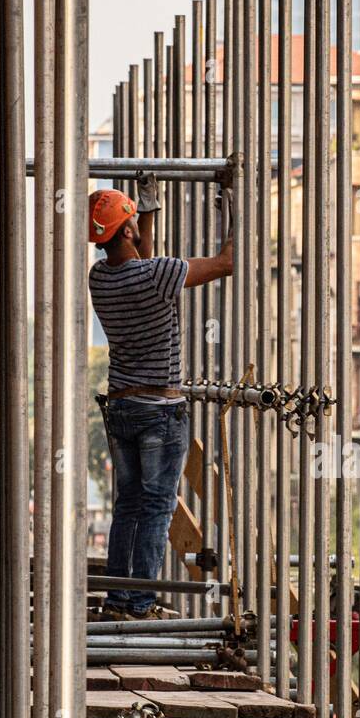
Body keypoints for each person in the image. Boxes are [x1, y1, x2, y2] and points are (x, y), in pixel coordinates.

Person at [88, 178, 233, 620]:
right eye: (132, 220)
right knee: (157, 507)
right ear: (127, 231)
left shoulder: (100, 279)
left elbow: (142, 260)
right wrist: (235, 206)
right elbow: (227, 262)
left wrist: (147, 212)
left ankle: (118, 599)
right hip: (161, 412)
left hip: (122, 409)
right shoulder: (157, 275)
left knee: (129, 505)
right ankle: (142, 603)